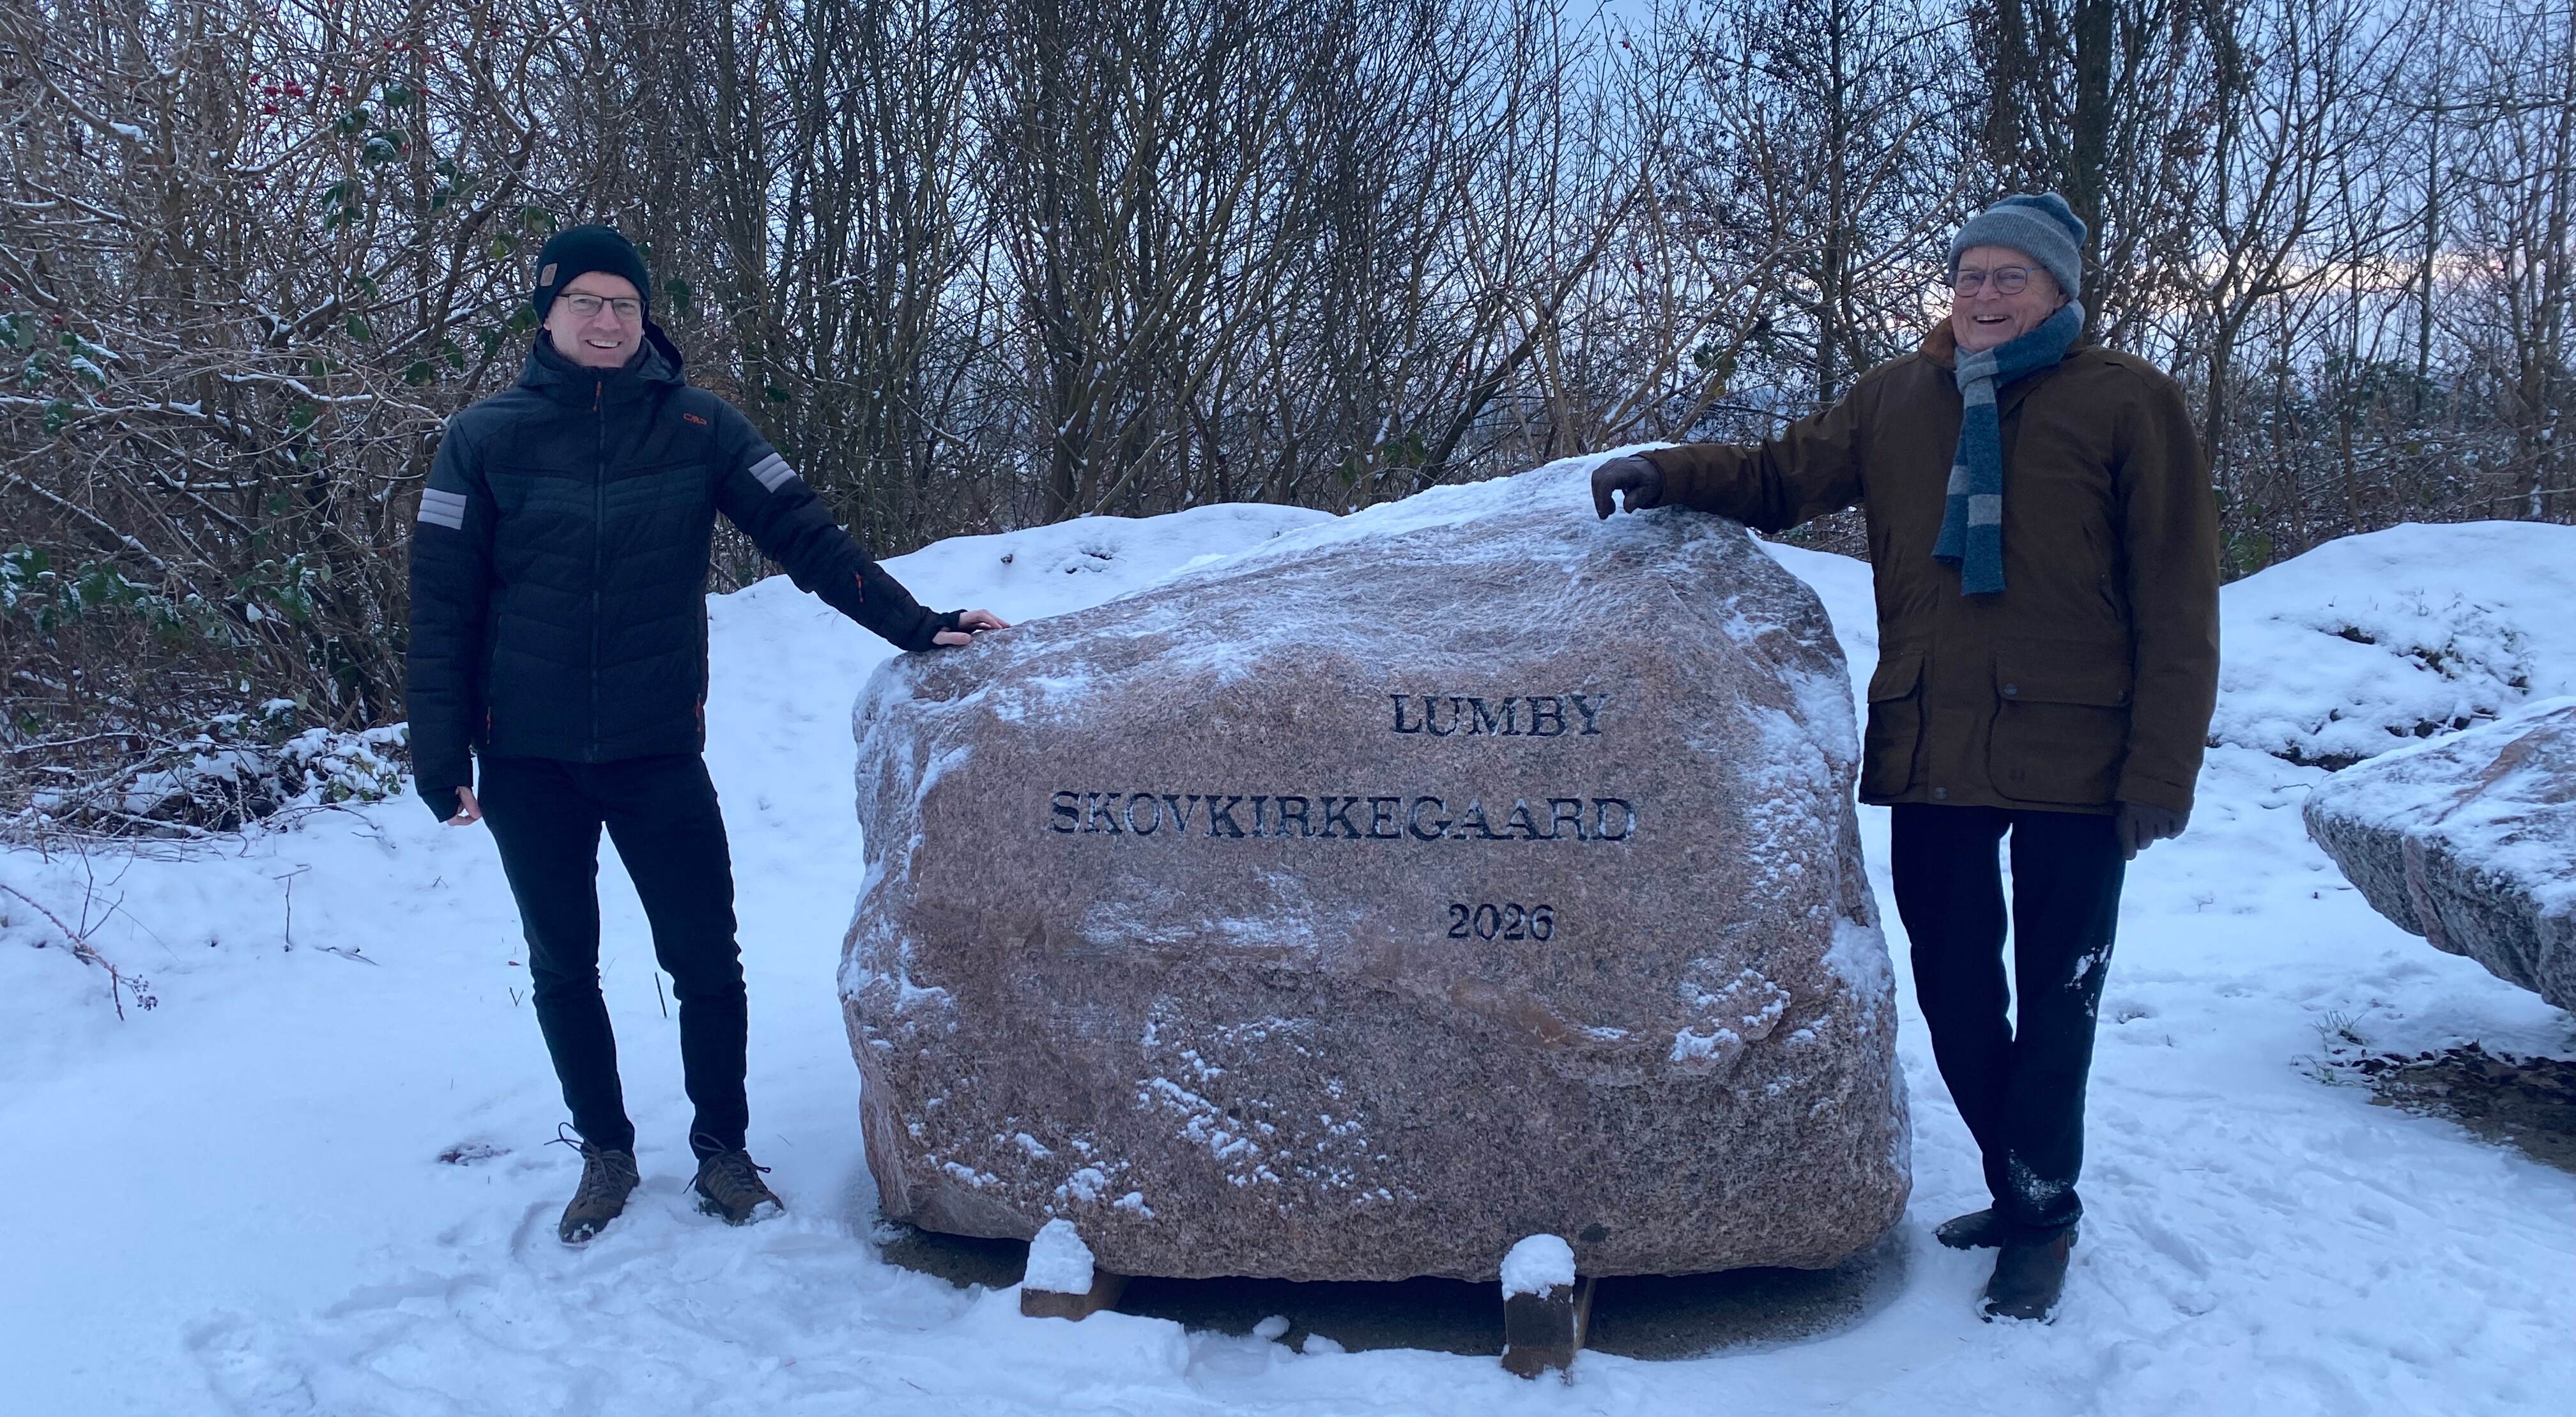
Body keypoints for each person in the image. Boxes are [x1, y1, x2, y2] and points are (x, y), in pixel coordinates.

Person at [1591, 194, 2218, 1321]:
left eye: (2011, 277)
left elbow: (2179, 598)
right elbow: (1780, 476)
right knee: (1954, 990)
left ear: (2058, 292)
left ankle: (2041, 1210)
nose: (1985, 295)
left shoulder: (2127, 401)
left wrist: (2159, 773)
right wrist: (1669, 471)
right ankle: (2019, 1177)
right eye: (1971, 274)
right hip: (1936, 743)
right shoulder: (1897, 398)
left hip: (2080, 755)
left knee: (2061, 1000)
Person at [407, 224, 1008, 1245]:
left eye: (625, 304)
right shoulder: (482, 439)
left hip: (655, 750)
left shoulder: (698, 425)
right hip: (527, 757)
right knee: (563, 963)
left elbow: (807, 535)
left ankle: (722, 1152)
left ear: (645, 318)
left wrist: (918, 623)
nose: (608, 321)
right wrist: (440, 748)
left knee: (706, 960)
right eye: (587, 301)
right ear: (547, 314)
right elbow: (441, 601)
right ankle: (605, 1152)